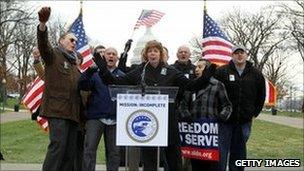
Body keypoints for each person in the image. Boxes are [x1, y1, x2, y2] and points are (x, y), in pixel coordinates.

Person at [94, 40, 215, 171]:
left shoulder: (171, 71)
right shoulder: (140, 70)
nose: (153, 53)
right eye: (150, 51)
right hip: (148, 119)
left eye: (155, 51)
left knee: (173, 156)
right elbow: (116, 82)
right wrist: (103, 70)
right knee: (149, 157)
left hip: (168, 119)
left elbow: (191, 85)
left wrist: (205, 77)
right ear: (146, 54)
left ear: (160, 54)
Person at [37, 7, 82, 171]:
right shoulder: (53, 55)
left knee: (69, 153)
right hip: (57, 110)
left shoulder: (74, 64)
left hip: (72, 113)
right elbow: (43, 45)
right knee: (58, 147)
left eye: (76, 41)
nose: (74, 43)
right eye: (71, 39)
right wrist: (42, 24)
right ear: (61, 41)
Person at [215, 46, 266, 171]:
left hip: (244, 122)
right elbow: (214, 93)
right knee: (221, 152)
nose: (239, 55)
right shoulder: (222, 71)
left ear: (246, 55)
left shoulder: (256, 74)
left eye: (242, 52)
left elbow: (261, 95)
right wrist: (218, 113)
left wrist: (254, 113)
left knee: (239, 154)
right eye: (236, 53)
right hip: (225, 121)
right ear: (232, 55)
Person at [179, 59, 232, 171]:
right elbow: (182, 105)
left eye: (200, 67)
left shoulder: (217, 85)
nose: (196, 69)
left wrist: (222, 116)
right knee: (196, 165)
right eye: (196, 67)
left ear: (207, 70)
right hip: (194, 133)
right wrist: (186, 115)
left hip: (211, 135)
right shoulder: (191, 85)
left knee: (211, 165)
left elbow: (227, 106)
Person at [79, 47, 124, 171]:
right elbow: (82, 84)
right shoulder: (94, 73)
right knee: (89, 150)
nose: (111, 56)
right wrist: (89, 71)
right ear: (104, 57)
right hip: (96, 118)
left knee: (114, 152)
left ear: (117, 58)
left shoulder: (122, 76)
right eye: (108, 54)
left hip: (115, 119)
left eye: (113, 54)